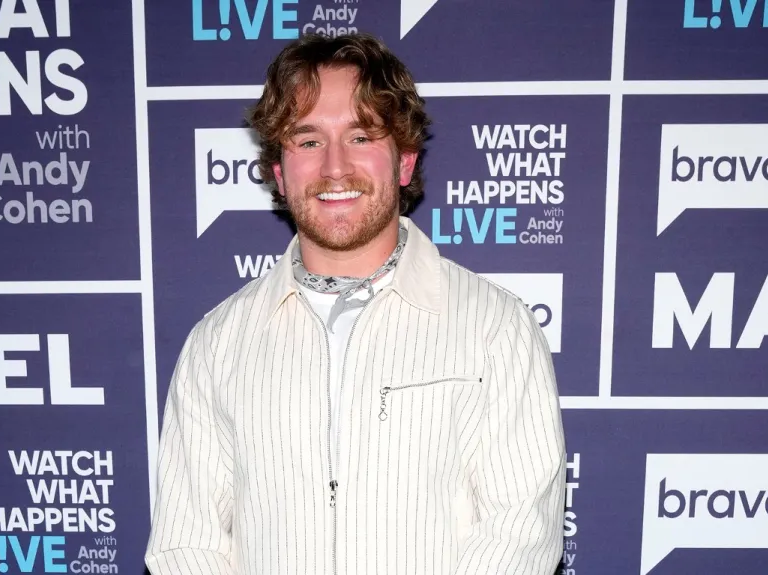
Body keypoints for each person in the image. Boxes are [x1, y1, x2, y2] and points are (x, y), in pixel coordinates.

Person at [144, 32, 566, 575]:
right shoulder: (217, 343)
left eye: (362, 136)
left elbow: (520, 533)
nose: (335, 167)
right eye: (308, 140)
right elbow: (187, 542)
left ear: (405, 162)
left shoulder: (494, 327)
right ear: (278, 169)